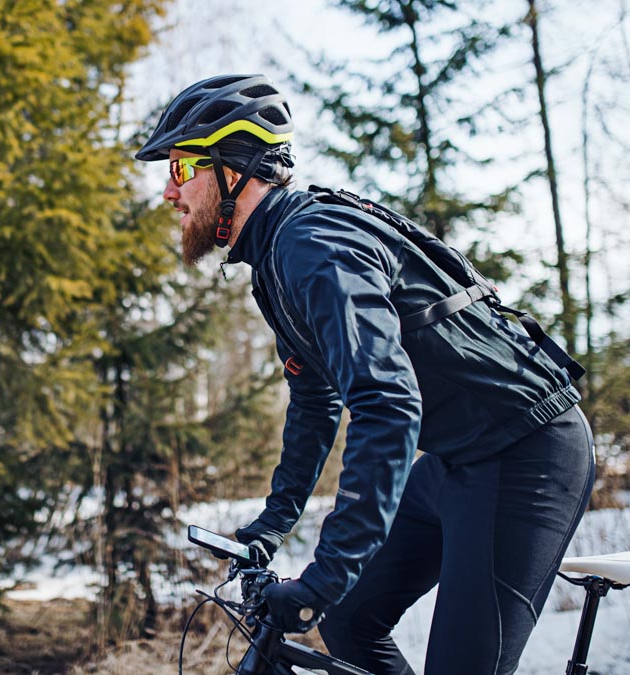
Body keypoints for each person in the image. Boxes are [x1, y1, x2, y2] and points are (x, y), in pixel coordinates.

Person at [135, 73, 595, 674]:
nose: (169, 192)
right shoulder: (274, 259)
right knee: (349, 621)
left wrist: (326, 575)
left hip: (526, 452)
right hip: (456, 459)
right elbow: (314, 400)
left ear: (233, 170)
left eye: (180, 168)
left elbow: (387, 404)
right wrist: (274, 523)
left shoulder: (310, 245)